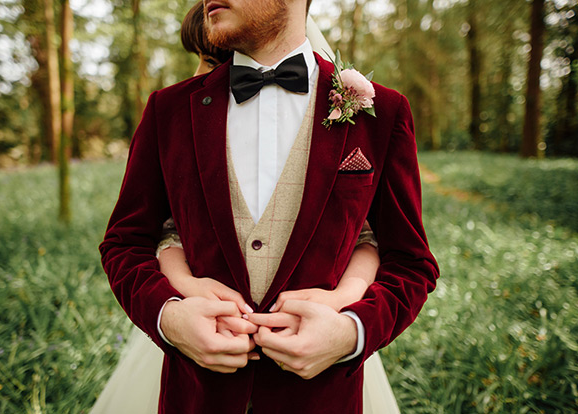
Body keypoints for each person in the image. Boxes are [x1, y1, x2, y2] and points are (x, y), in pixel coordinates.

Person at [99, 0, 439, 412]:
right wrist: (168, 318)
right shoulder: (168, 111)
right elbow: (124, 244)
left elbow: (411, 263)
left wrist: (352, 332)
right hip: (196, 398)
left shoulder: (381, 113)